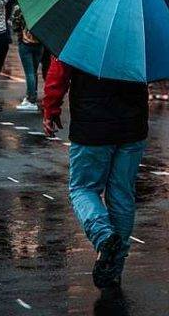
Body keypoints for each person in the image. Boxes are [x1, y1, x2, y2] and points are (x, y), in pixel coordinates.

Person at [43, 60, 148, 293]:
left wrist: (51, 108)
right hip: (133, 124)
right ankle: (114, 269)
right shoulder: (143, 31)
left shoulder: (81, 26)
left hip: (91, 125)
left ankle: (103, 237)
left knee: (82, 189)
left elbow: (59, 71)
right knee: (122, 194)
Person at [11, 0, 42, 111]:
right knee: (34, 71)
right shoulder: (41, 7)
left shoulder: (21, 7)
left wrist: (20, 35)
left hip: (26, 42)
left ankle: (31, 100)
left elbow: (15, 24)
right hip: (39, 43)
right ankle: (31, 94)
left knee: (29, 72)